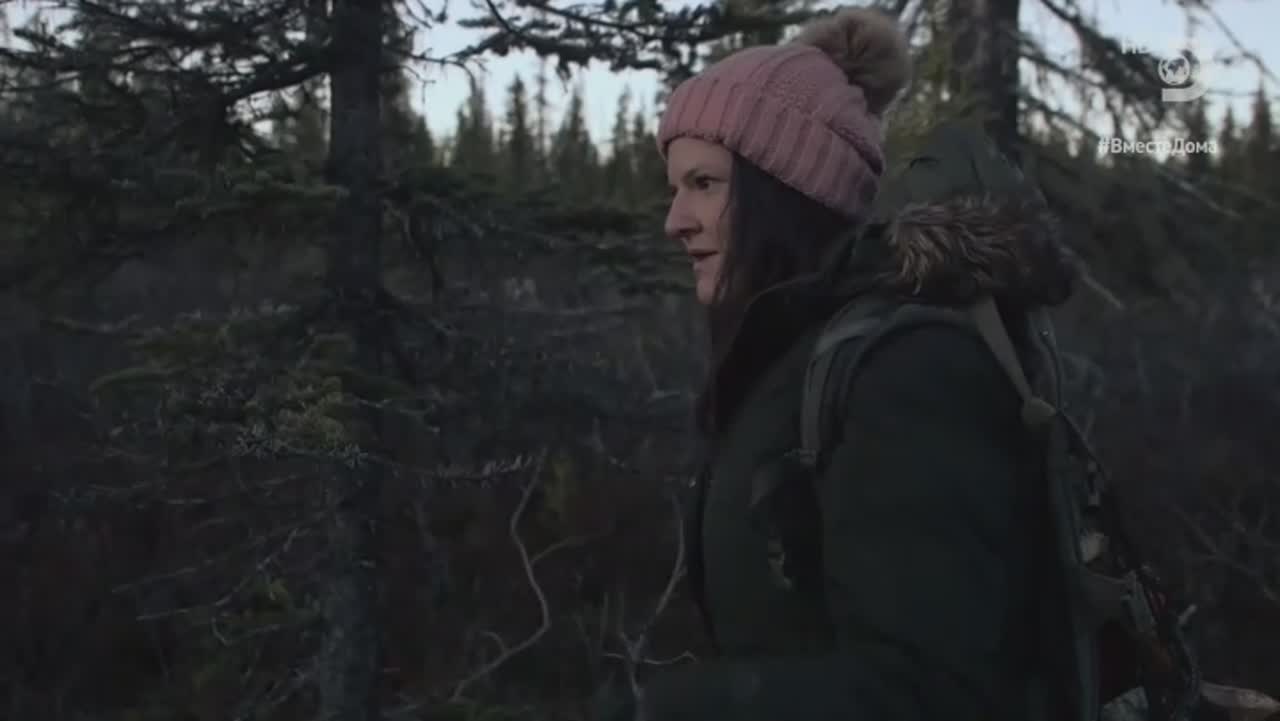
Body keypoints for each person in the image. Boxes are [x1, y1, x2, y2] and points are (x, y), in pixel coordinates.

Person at [595, 6, 1096, 721]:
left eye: (704, 184)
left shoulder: (906, 369)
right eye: (676, 188)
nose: (675, 219)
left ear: (786, 189)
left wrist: (671, 710)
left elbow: (934, 692)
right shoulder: (798, 357)